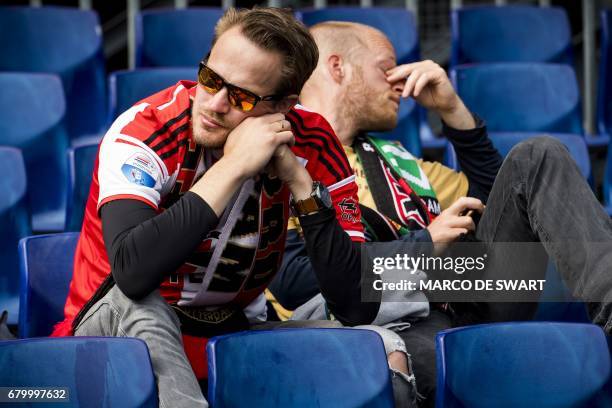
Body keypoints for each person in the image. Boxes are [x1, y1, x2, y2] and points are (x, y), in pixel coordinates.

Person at [51, 9, 418, 408]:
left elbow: (354, 305)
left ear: (284, 105)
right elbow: (133, 273)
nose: (215, 104)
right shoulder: (146, 130)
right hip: (111, 329)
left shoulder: (312, 144)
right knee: (142, 305)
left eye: (241, 96)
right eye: (210, 79)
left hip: (232, 328)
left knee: (381, 351)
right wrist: (233, 166)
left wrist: (300, 185)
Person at [267, 21, 612, 407]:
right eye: (387, 69)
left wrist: (452, 110)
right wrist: (424, 247)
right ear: (337, 67)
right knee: (476, 371)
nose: (399, 84)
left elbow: (514, 203)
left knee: (538, 156)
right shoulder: (285, 158)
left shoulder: (399, 160)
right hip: (374, 320)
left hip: (463, 291)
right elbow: (295, 279)